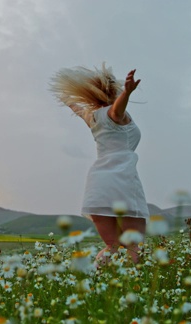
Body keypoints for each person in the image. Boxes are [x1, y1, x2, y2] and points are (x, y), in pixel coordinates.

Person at [50, 63, 149, 264]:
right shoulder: (114, 114)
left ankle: (97, 280)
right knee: (133, 246)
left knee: (113, 247)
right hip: (122, 182)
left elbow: (78, 109)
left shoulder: (93, 117)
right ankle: (135, 289)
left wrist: (68, 98)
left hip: (98, 186)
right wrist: (128, 94)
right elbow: (117, 112)